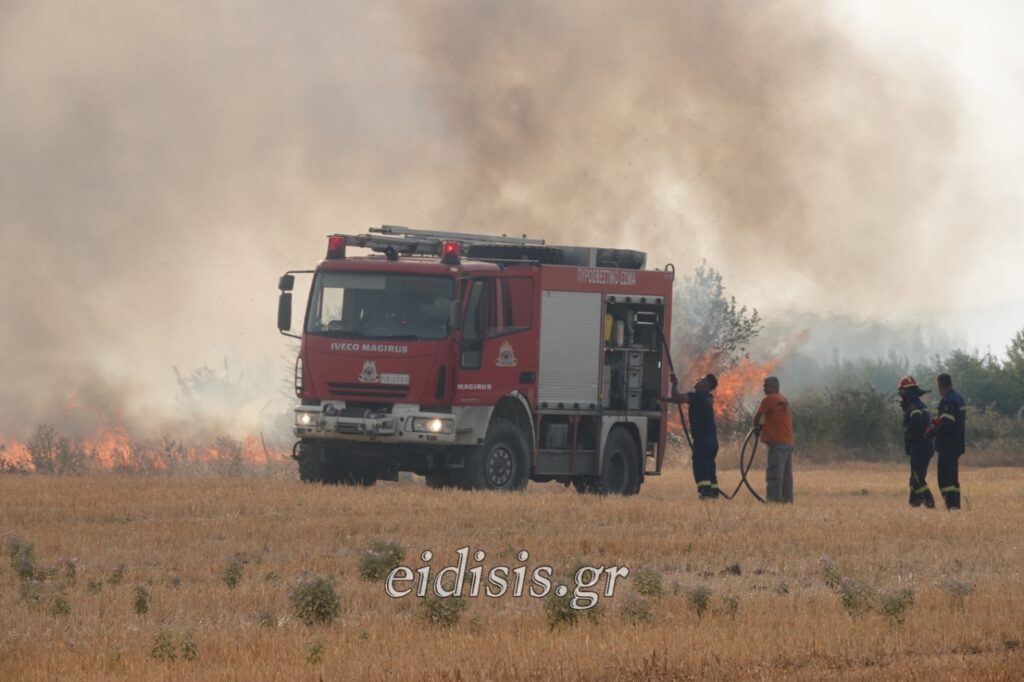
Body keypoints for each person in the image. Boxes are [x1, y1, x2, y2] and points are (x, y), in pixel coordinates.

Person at [664, 373, 721, 499]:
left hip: (702, 440)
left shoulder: (697, 396)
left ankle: (705, 492)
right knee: (709, 468)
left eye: (701, 379)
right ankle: (713, 493)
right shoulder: (707, 397)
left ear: (706, 385)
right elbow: (678, 399)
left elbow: (677, 397)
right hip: (712, 440)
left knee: (700, 468)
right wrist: (665, 399)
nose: (698, 380)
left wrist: (674, 384)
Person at [897, 376, 936, 508]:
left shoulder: (914, 406)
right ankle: (915, 503)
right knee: (915, 478)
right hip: (923, 447)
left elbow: (917, 421)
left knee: (917, 478)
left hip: (920, 447)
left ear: (907, 392)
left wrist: (908, 431)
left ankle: (929, 503)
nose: (900, 394)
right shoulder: (919, 405)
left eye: (901, 391)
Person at [754, 376, 794, 503]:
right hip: (787, 442)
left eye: (767, 386)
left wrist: (756, 426)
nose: (764, 388)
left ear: (775, 387)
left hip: (777, 442)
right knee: (786, 475)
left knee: (774, 473)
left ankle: (773, 500)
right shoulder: (783, 400)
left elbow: (757, 417)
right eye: (764, 386)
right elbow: (776, 419)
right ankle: (787, 500)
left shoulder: (769, 399)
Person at [930, 373, 966, 510]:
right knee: (953, 476)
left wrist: (933, 431)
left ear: (941, 385)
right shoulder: (959, 398)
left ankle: (951, 505)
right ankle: (955, 505)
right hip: (957, 442)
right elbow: (953, 420)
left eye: (938, 386)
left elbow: (946, 425)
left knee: (945, 478)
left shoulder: (948, 400)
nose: (938, 389)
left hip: (948, 444)